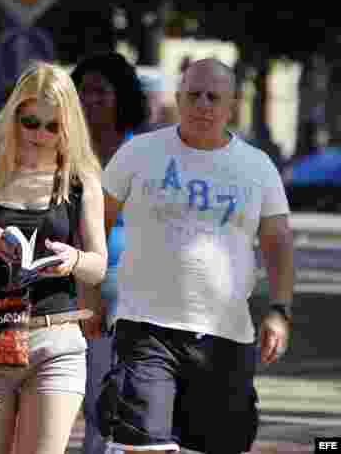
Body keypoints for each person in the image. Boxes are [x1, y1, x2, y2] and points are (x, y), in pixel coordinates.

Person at [97, 58, 295, 453]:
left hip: (225, 337)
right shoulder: (139, 153)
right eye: (194, 95)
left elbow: (277, 242)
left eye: (214, 97)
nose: (203, 104)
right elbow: (95, 223)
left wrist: (279, 309)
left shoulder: (256, 167)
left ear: (232, 105)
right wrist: (89, 292)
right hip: (145, 328)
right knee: (142, 447)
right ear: (178, 98)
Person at [0, 61, 107, 454]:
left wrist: (74, 260)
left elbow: (98, 267)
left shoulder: (79, 180)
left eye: (52, 126)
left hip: (57, 340)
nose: (39, 134)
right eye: (30, 122)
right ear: (13, 116)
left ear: (69, 127)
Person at [70, 52, 148, 454]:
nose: (90, 99)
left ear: (123, 97)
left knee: (111, 400)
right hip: (66, 289)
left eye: (101, 91)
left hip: (129, 294)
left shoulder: (145, 155)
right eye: (82, 90)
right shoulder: (61, 152)